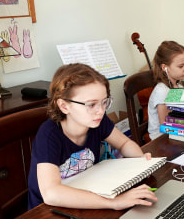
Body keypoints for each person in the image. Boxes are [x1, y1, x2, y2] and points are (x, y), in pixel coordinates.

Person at [27, 63, 157, 210]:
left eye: (104, 102)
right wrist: (113, 203)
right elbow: (51, 193)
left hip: (87, 198)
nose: (100, 111)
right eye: (91, 104)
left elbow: (124, 144)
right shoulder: (48, 135)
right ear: (64, 106)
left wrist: (140, 162)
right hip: (48, 211)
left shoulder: (97, 121)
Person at [147, 41, 184, 140]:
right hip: (162, 139)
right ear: (165, 67)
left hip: (176, 133)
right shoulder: (162, 91)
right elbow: (166, 126)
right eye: (181, 66)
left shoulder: (178, 85)